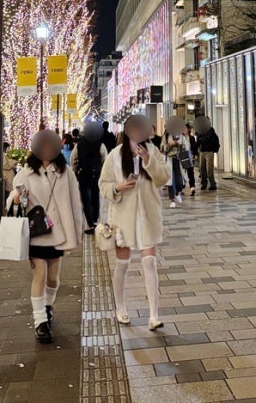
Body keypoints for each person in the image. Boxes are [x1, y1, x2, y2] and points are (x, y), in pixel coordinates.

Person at [9, 130, 83, 344]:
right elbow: (14, 200)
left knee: (53, 277)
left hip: (58, 233)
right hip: (36, 232)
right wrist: (16, 198)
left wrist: (76, 233)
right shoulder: (25, 173)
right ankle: (40, 321)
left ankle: (48, 308)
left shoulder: (65, 171)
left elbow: (75, 203)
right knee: (39, 275)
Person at [99, 116, 171, 331]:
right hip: (122, 217)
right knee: (122, 264)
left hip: (148, 216)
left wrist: (149, 159)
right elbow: (103, 184)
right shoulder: (115, 155)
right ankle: (120, 307)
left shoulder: (153, 151)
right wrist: (118, 187)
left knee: (150, 262)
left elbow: (164, 178)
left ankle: (154, 315)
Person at [71, 122, 107, 232]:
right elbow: (105, 159)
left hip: (83, 175)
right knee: (95, 197)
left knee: (86, 199)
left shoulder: (79, 145)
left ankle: (90, 223)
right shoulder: (100, 145)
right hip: (96, 175)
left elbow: (73, 160)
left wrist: (75, 170)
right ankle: (95, 220)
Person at [162, 129, 185, 208]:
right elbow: (162, 148)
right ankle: (172, 199)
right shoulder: (166, 136)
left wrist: (180, 145)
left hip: (179, 159)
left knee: (179, 180)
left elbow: (186, 147)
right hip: (169, 159)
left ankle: (177, 192)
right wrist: (169, 145)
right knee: (170, 181)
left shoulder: (181, 135)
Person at [198, 122, 220, 190]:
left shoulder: (211, 130)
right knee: (202, 168)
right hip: (202, 151)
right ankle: (204, 183)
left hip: (209, 152)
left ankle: (212, 184)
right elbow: (198, 140)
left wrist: (202, 140)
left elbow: (207, 139)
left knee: (209, 169)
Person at [183, 123, 198, 196]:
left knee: (190, 172)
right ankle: (182, 186)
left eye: (185, 128)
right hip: (182, 156)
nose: (184, 130)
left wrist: (195, 154)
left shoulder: (191, 138)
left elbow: (194, 147)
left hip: (189, 155)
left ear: (188, 129)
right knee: (182, 172)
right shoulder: (179, 137)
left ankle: (192, 187)